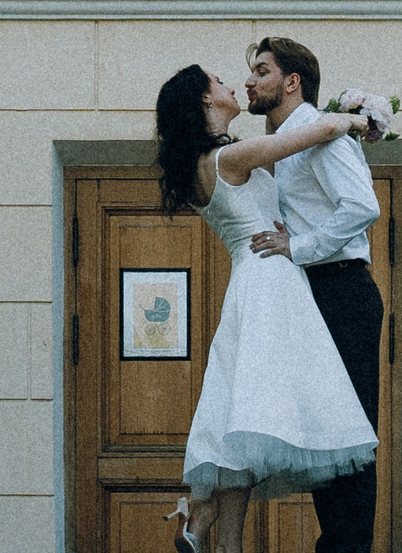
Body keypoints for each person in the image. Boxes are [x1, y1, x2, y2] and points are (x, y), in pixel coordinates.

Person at [153, 63, 376, 553]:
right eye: (219, 81)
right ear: (205, 102)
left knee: (245, 413)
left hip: (252, 283)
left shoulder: (209, 160)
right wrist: (359, 119)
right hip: (270, 279)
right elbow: (318, 131)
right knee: (259, 410)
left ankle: (208, 521)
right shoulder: (230, 159)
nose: (232, 84)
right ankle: (204, 512)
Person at [243, 36, 383, 553]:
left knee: (351, 433)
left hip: (342, 290)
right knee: (327, 430)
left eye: (261, 71)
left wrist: (296, 246)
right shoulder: (291, 141)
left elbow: (362, 206)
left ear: (292, 81)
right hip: (316, 294)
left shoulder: (324, 137)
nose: (250, 81)